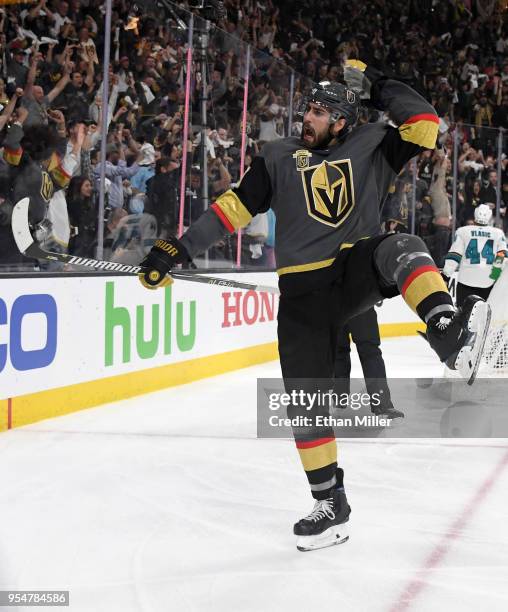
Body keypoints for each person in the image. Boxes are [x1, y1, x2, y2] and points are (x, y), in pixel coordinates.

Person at [136, 61, 491, 552]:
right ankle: (331, 503)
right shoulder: (279, 155)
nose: (309, 116)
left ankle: (446, 327)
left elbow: (426, 122)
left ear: (344, 119)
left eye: (321, 111)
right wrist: (178, 249)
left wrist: (378, 87)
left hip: (348, 272)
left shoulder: (373, 145)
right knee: (305, 404)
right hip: (302, 295)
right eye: (309, 109)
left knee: (399, 244)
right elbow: (231, 209)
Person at [334, 308, 403, 419]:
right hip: (349, 304)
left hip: (357, 303)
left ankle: (381, 404)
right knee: (341, 352)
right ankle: (339, 400)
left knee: (366, 351)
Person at [443, 204, 507, 308]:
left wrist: (446, 275)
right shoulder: (498, 234)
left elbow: (455, 255)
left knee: (462, 316)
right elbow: (502, 256)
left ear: (475, 215)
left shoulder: (463, 231)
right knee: (484, 317)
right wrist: (495, 274)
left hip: (466, 280)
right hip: (488, 282)